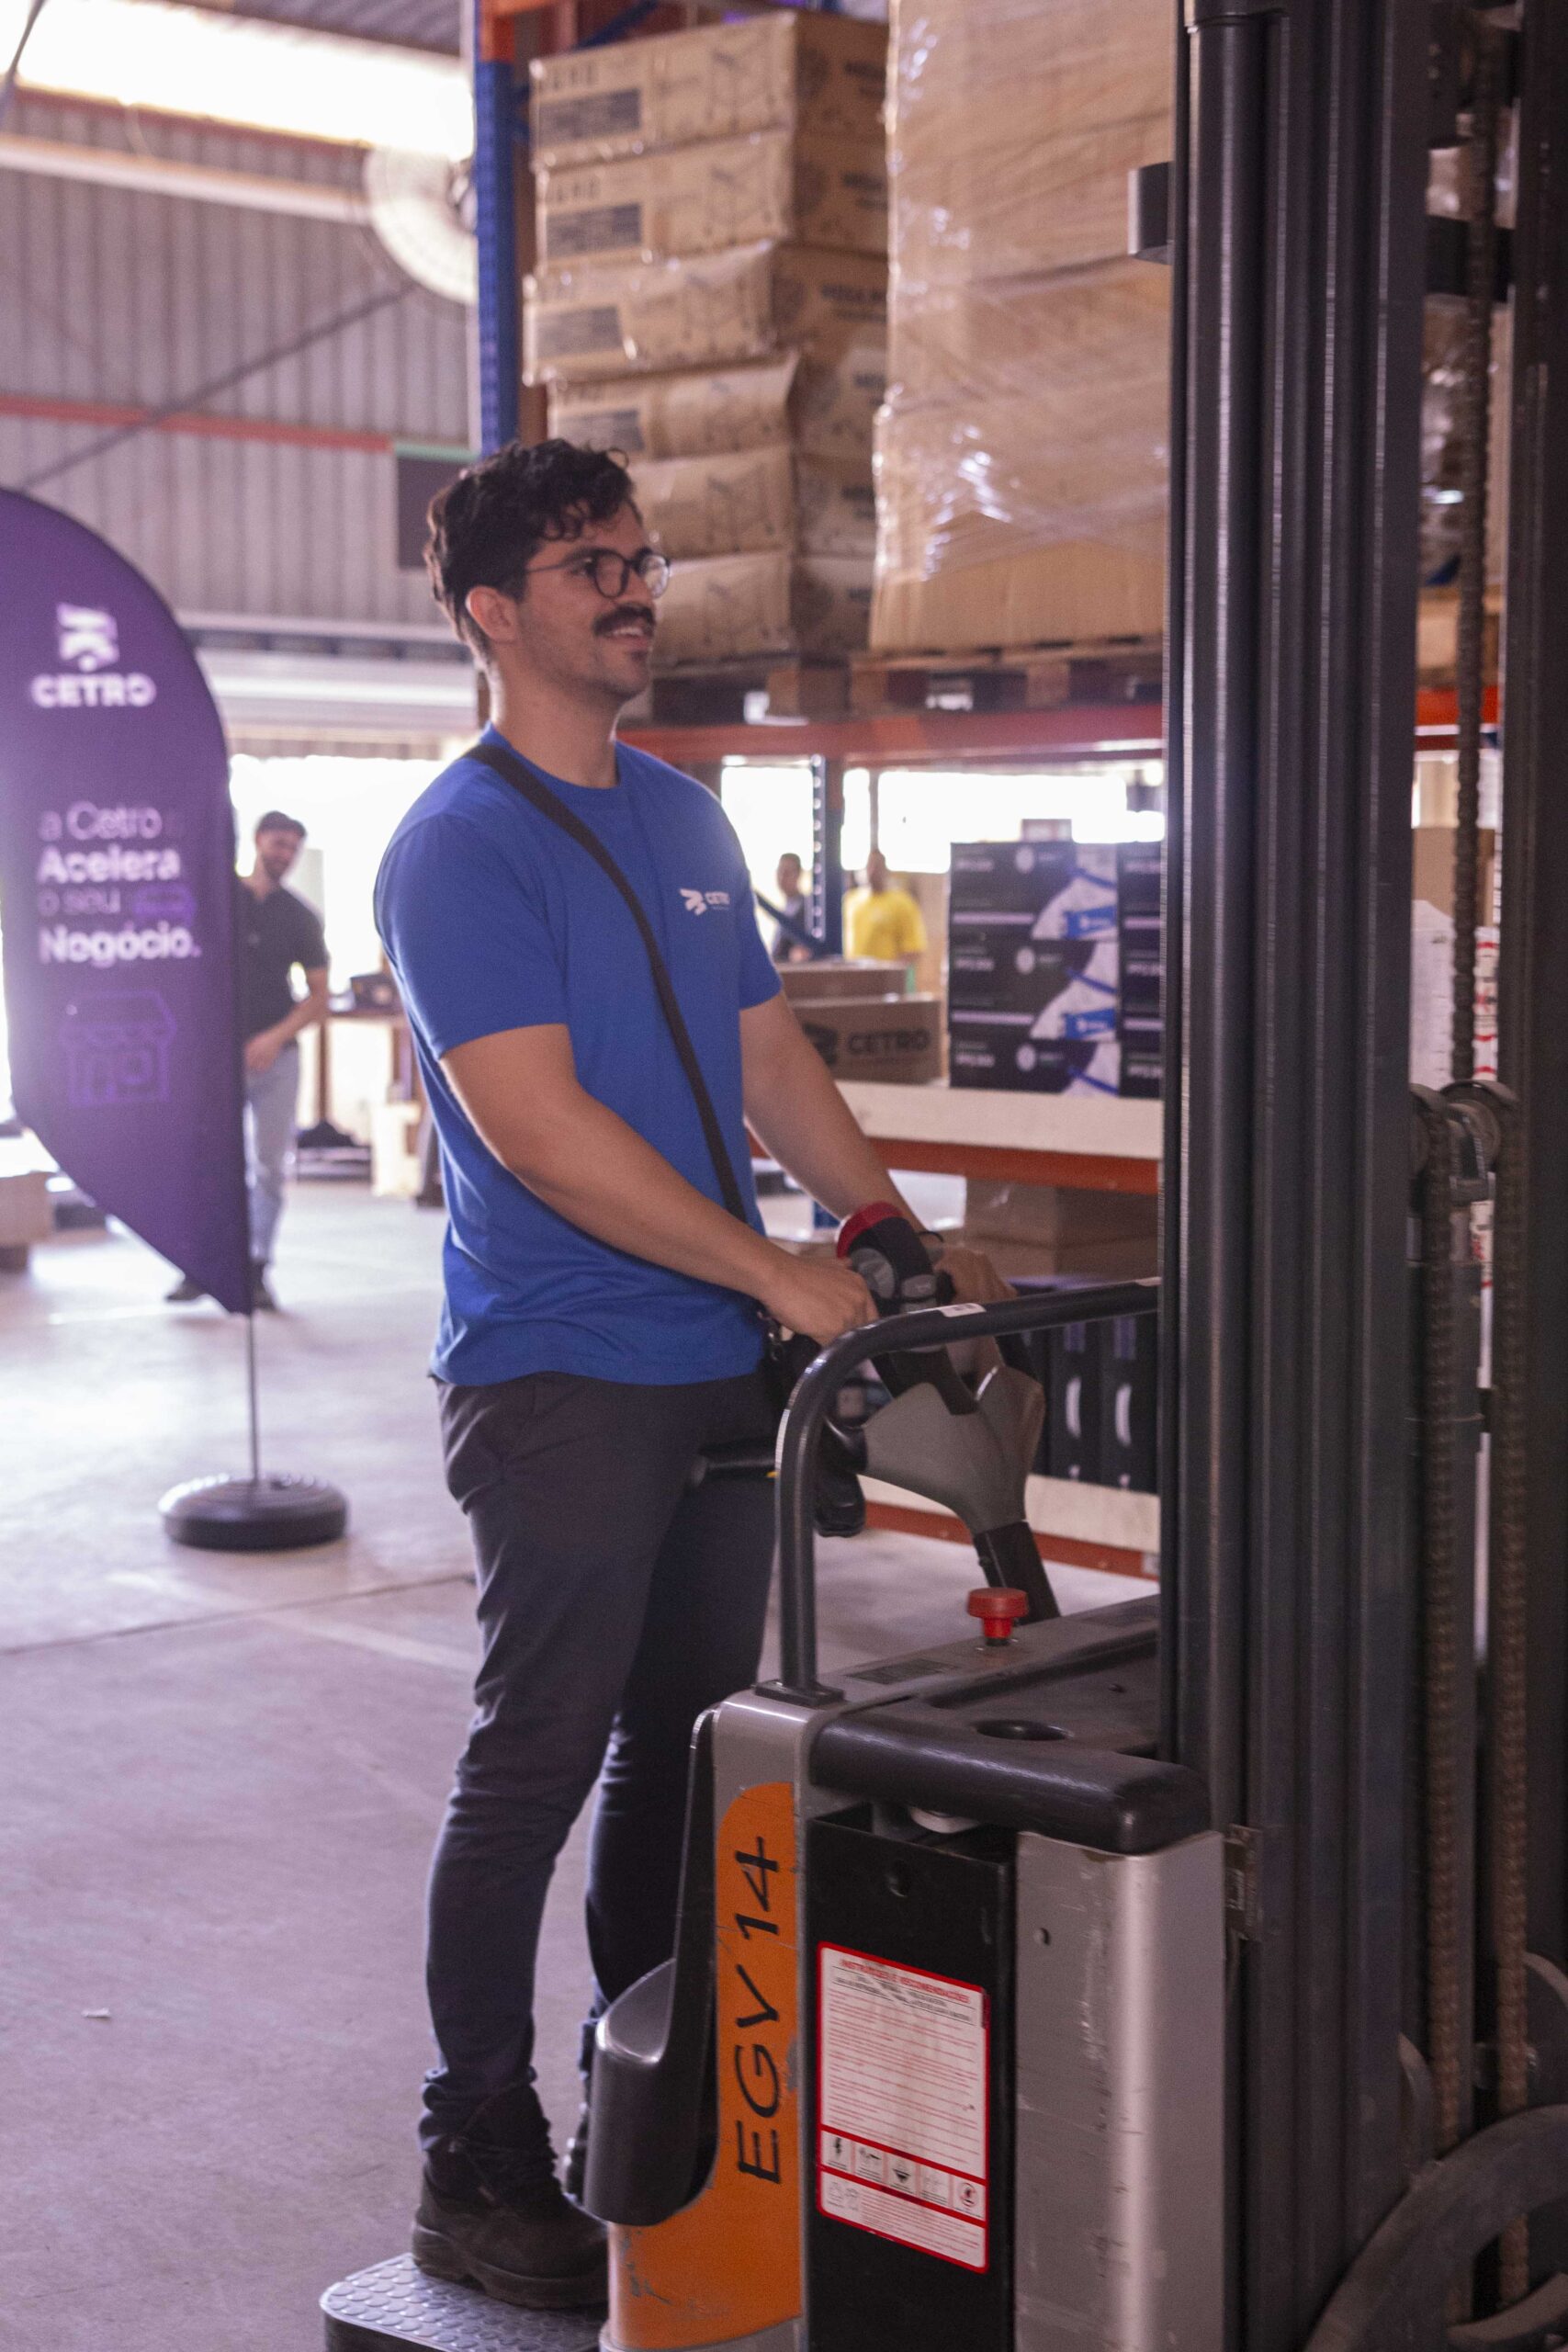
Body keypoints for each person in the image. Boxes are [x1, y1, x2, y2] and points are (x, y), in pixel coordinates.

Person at [373, 439, 1004, 2312]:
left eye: (640, 556)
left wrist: (875, 1222)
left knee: (690, 1749)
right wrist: (773, 1271)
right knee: (536, 1760)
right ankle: (469, 2150)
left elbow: (760, 1051)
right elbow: (540, 1127)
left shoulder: (684, 815)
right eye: (589, 563)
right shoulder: (456, 845)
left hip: (720, 1363)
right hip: (563, 1372)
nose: (632, 586)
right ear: (496, 612)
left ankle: (634, 2104)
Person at [166, 810, 328, 1310]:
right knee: (211, 1161)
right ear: (258, 841)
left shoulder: (300, 916)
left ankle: (256, 1270)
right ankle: (202, 1265)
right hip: (216, 1057)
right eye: (278, 843)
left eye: (292, 849)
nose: (283, 855)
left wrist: (274, 1039)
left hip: (275, 1061)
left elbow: (318, 997)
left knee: (268, 1168)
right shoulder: (219, 902)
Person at [843, 846, 928, 969]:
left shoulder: (902, 903)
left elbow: (914, 949)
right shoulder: (850, 901)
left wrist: (889, 972)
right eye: (869, 866)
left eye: (877, 867)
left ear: (885, 870)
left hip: (886, 979)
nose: (872, 871)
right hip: (854, 976)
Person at [769, 849, 810, 963]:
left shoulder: (808, 909)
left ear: (799, 874)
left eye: (787, 872)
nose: (782, 877)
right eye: (780, 871)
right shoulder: (785, 908)